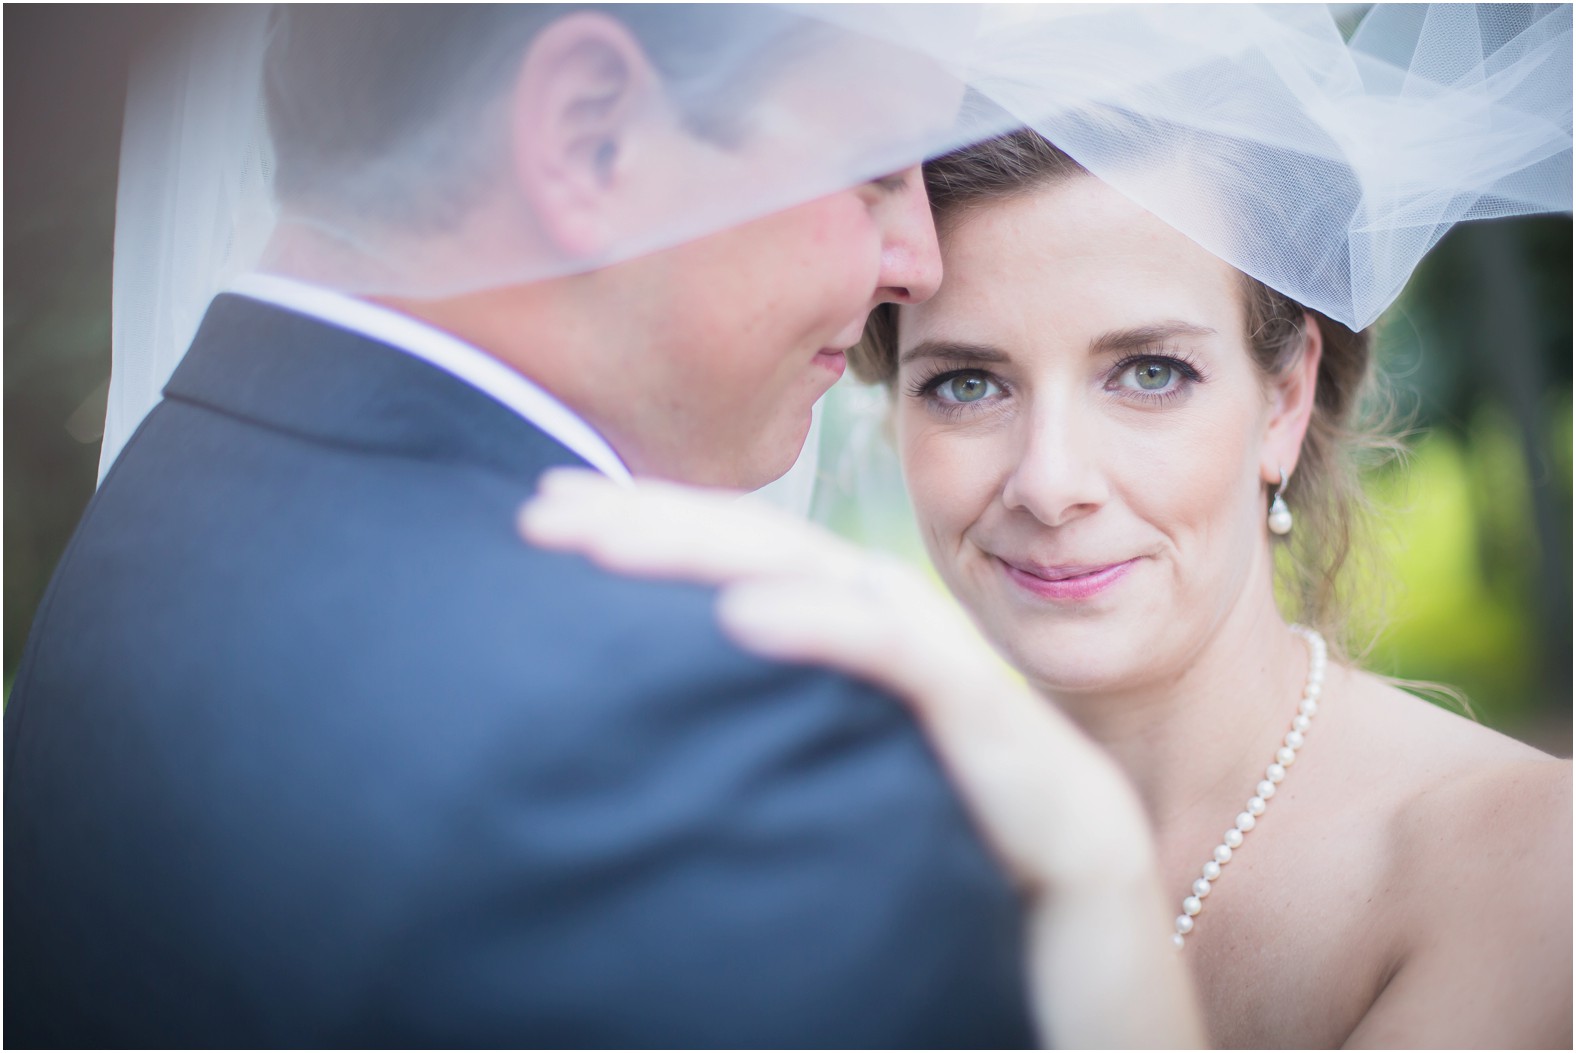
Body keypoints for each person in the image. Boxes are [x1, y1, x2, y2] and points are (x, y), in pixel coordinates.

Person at [5, 7, 1085, 1046]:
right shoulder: (684, 741)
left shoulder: (179, 494)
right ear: (589, 134)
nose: (920, 265)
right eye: (877, 171)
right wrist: (1108, 900)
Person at [520, 124, 1573, 1050]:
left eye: (1148, 372)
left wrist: (1098, 893)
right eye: (967, 384)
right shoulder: (831, 856)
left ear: (1282, 399)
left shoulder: (1522, 869)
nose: (1050, 483)